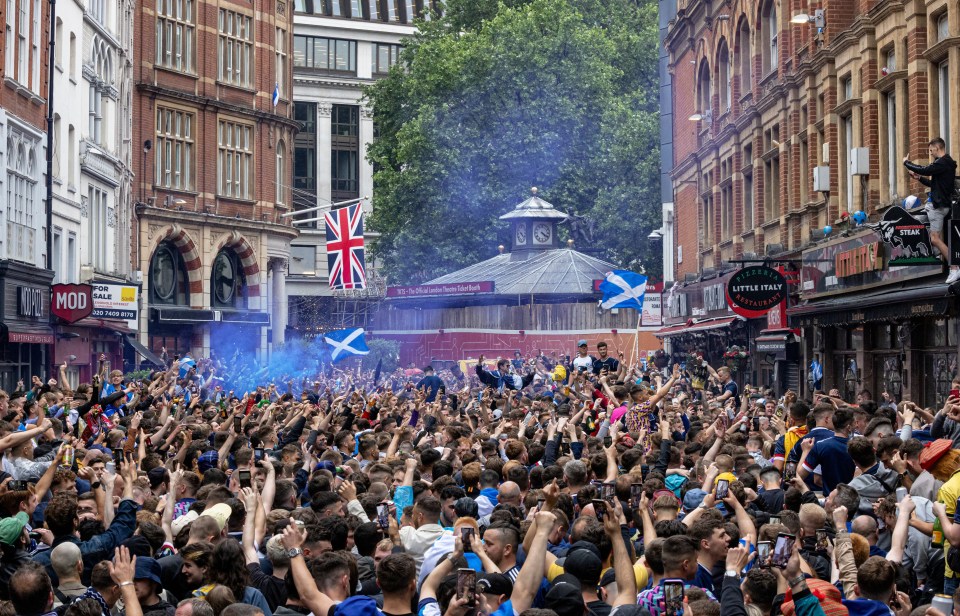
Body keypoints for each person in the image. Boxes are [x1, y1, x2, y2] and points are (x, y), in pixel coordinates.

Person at [904, 138, 959, 283]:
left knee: (934, 238)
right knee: (919, 226)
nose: (930, 153)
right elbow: (933, 184)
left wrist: (906, 163)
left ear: (936, 148)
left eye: (930, 150)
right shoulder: (945, 165)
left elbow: (925, 169)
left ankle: (954, 267)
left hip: (936, 207)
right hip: (936, 206)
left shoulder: (943, 162)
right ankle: (935, 252)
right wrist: (918, 178)